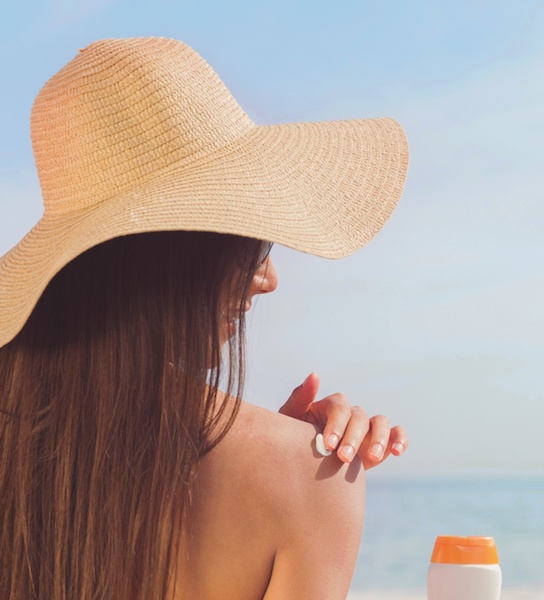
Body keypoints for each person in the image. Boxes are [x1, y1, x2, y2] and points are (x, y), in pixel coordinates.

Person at [0, 37, 409, 600]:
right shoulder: (310, 481)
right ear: (177, 255)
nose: (268, 279)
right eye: (248, 242)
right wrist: (292, 468)